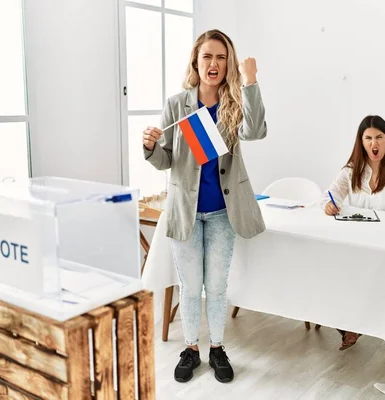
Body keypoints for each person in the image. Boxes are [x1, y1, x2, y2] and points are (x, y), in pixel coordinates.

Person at [142, 29, 267, 383]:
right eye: (207, 56)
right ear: (196, 62)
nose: (214, 63)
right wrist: (151, 146)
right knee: (190, 285)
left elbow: (255, 131)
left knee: (216, 285)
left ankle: (217, 347)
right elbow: (166, 159)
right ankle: (191, 348)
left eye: (221, 57)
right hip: (186, 211)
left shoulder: (235, 101)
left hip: (224, 213)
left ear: (229, 64)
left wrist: (252, 81)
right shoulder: (176, 104)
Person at [322, 115, 385, 350]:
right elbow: (330, 194)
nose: (373, 143)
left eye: (379, 137)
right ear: (361, 141)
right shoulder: (351, 170)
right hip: (362, 240)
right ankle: (351, 325)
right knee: (339, 269)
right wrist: (328, 204)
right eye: (368, 138)